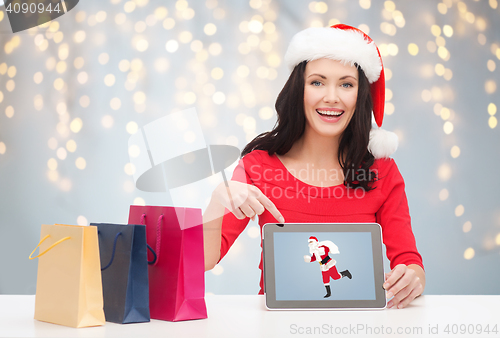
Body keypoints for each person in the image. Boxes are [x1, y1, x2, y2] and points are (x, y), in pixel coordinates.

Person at [203, 24, 425, 309]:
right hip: (277, 329)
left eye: (346, 84)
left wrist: (411, 280)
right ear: (299, 89)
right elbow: (204, 261)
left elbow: (410, 262)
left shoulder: (382, 172)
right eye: (317, 82)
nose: (331, 97)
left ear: (360, 96)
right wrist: (216, 200)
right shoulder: (257, 167)